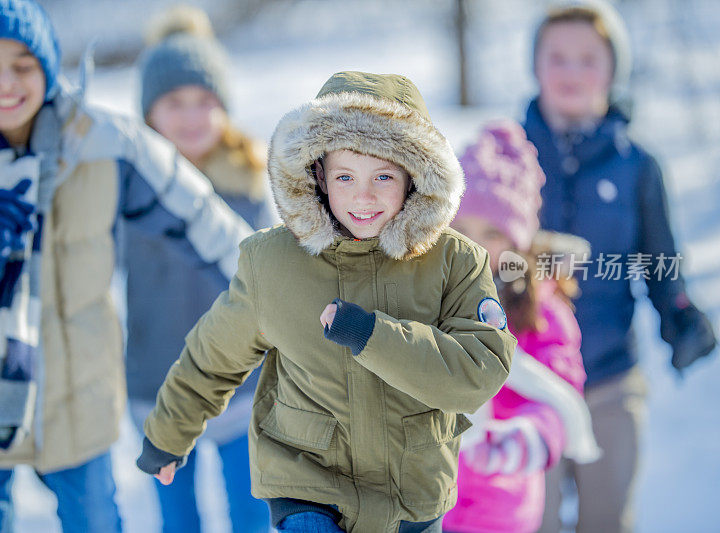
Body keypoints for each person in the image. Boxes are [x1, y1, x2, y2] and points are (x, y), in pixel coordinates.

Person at [135, 71, 517, 533]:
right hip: (308, 485)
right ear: (317, 175)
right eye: (345, 176)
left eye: (382, 175)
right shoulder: (273, 262)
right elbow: (213, 358)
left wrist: (372, 336)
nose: (363, 196)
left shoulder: (455, 262)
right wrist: (168, 434)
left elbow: (478, 371)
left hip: (412, 494)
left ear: (414, 178)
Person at [0, 0, 253, 531]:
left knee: (96, 518)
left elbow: (201, 219)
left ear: (48, 69)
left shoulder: (103, 143)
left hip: (80, 399)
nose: (6, 82)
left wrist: (283, 294)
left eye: (23, 64)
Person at [522, 2, 717, 532]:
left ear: (613, 68)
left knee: (606, 520)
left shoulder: (636, 165)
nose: (571, 71)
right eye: (556, 57)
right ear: (535, 65)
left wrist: (680, 315)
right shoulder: (507, 155)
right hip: (521, 377)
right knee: (525, 520)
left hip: (609, 376)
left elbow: (660, 262)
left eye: (589, 58)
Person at [124, 6, 276, 532]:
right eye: (174, 102)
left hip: (241, 388)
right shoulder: (129, 191)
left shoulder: (247, 184)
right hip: (157, 388)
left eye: (205, 102)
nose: (192, 116)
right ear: (148, 113)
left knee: (251, 512)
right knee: (178, 518)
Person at [442, 121, 599, 533]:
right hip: (426, 495)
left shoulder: (538, 308)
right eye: (460, 230)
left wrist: (530, 436)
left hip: (499, 499)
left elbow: (560, 382)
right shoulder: (429, 293)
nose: (473, 245)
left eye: (491, 232)